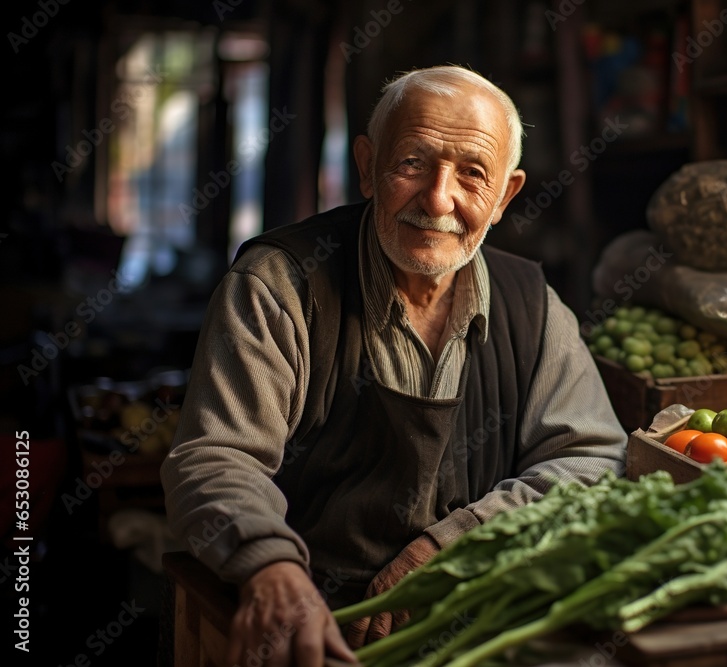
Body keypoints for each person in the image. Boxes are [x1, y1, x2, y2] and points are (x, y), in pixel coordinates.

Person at [160, 64, 627, 667]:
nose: (438, 199)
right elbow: (217, 454)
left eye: (471, 174)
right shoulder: (280, 284)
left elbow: (592, 459)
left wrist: (455, 543)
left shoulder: (532, 306)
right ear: (366, 167)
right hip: (308, 627)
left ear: (506, 195)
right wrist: (269, 563)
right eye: (412, 163)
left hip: (470, 625)